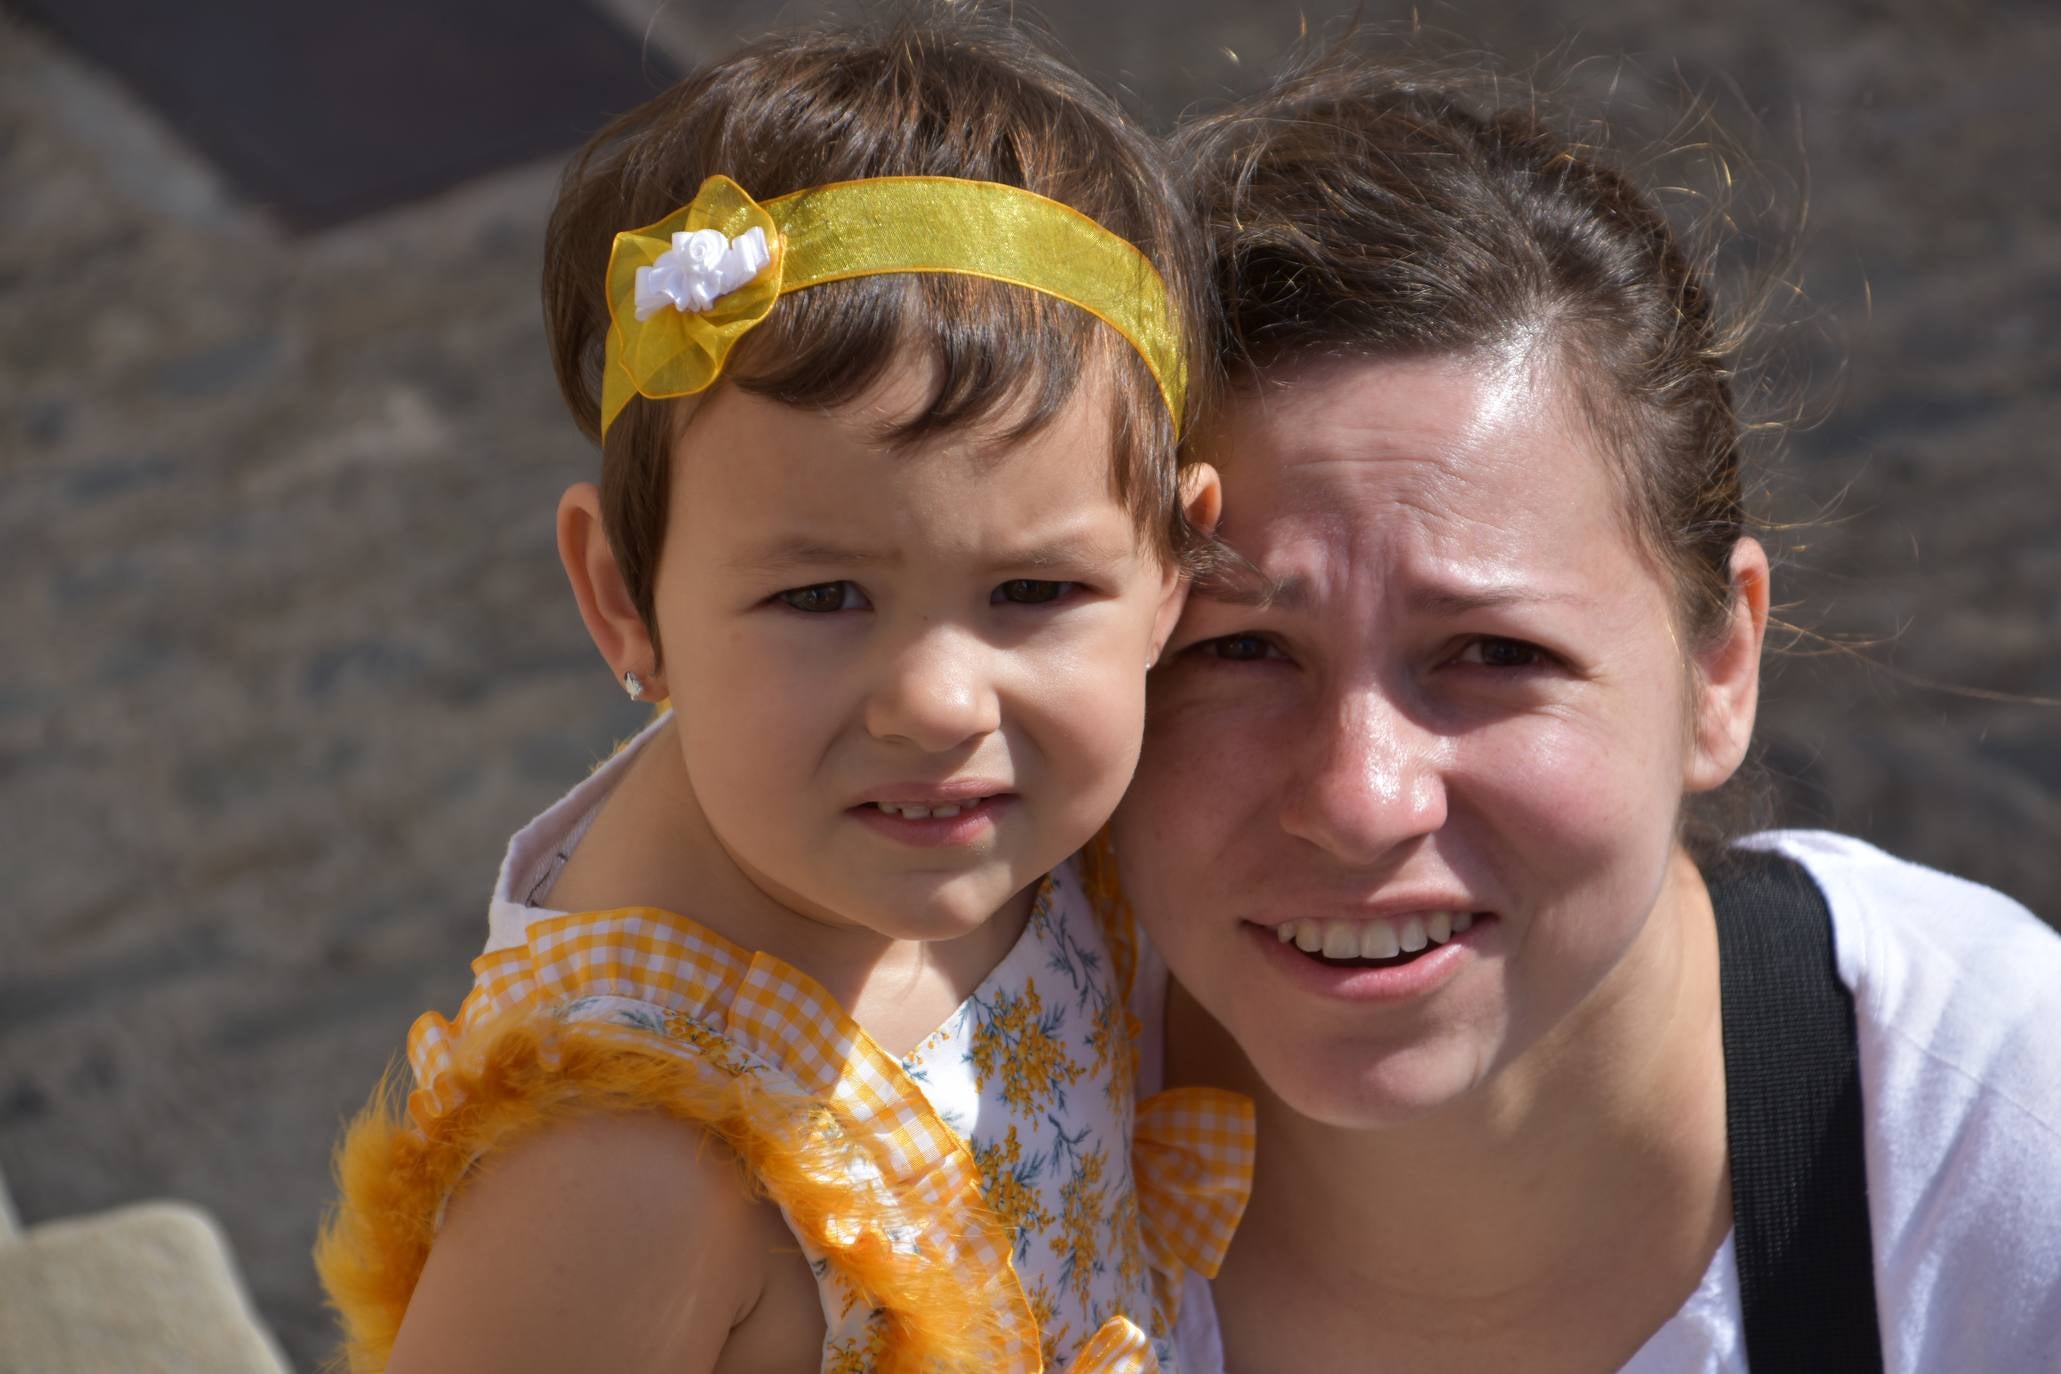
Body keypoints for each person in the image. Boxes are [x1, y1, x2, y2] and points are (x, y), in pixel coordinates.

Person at [314, 10, 1253, 1373]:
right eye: (820, 598)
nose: (936, 701)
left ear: (1172, 569)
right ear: (623, 597)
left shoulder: (1033, 834)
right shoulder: (630, 1172)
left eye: (1034, 593)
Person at [1112, 46, 2061, 1374]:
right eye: (1243, 648)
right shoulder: (924, 1132)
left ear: (1718, 666)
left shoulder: (1993, 1155)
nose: (1357, 794)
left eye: (1491, 651)